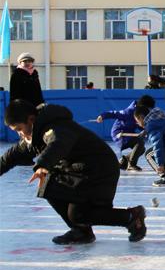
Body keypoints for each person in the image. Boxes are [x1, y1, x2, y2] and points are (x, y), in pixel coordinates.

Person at [0, 100, 146, 244]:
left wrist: (43, 164)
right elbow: (10, 157)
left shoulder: (56, 126)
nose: (20, 134)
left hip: (100, 169)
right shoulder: (35, 133)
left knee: (79, 214)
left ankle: (131, 216)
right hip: (80, 170)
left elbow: (59, 143)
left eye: (19, 129)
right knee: (49, 186)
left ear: (31, 119)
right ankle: (81, 231)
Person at [96, 95, 155, 171]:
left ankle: (124, 161)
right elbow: (113, 113)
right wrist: (102, 116)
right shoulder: (128, 112)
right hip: (119, 134)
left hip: (129, 134)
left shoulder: (140, 113)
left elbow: (139, 125)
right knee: (139, 143)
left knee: (142, 149)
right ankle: (131, 165)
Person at [133, 105, 165, 187]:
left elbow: (158, 146)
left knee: (149, 154)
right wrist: (146, 130)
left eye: (137, 121)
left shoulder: (151, 126)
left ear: (140, 117)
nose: (138, 124)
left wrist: (161, 164)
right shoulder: (162, 116)